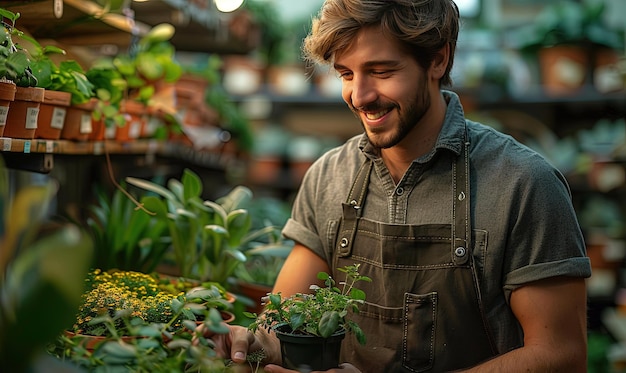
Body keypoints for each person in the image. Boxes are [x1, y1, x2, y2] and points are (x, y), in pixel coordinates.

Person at [212, 0, 592, 371]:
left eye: (380, 71)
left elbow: (560, 354)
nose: (359, 96)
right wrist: (254, 344)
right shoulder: (329, 176)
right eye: (346, 74)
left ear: (438, 60)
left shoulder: (523, 184)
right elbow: (286, 323)